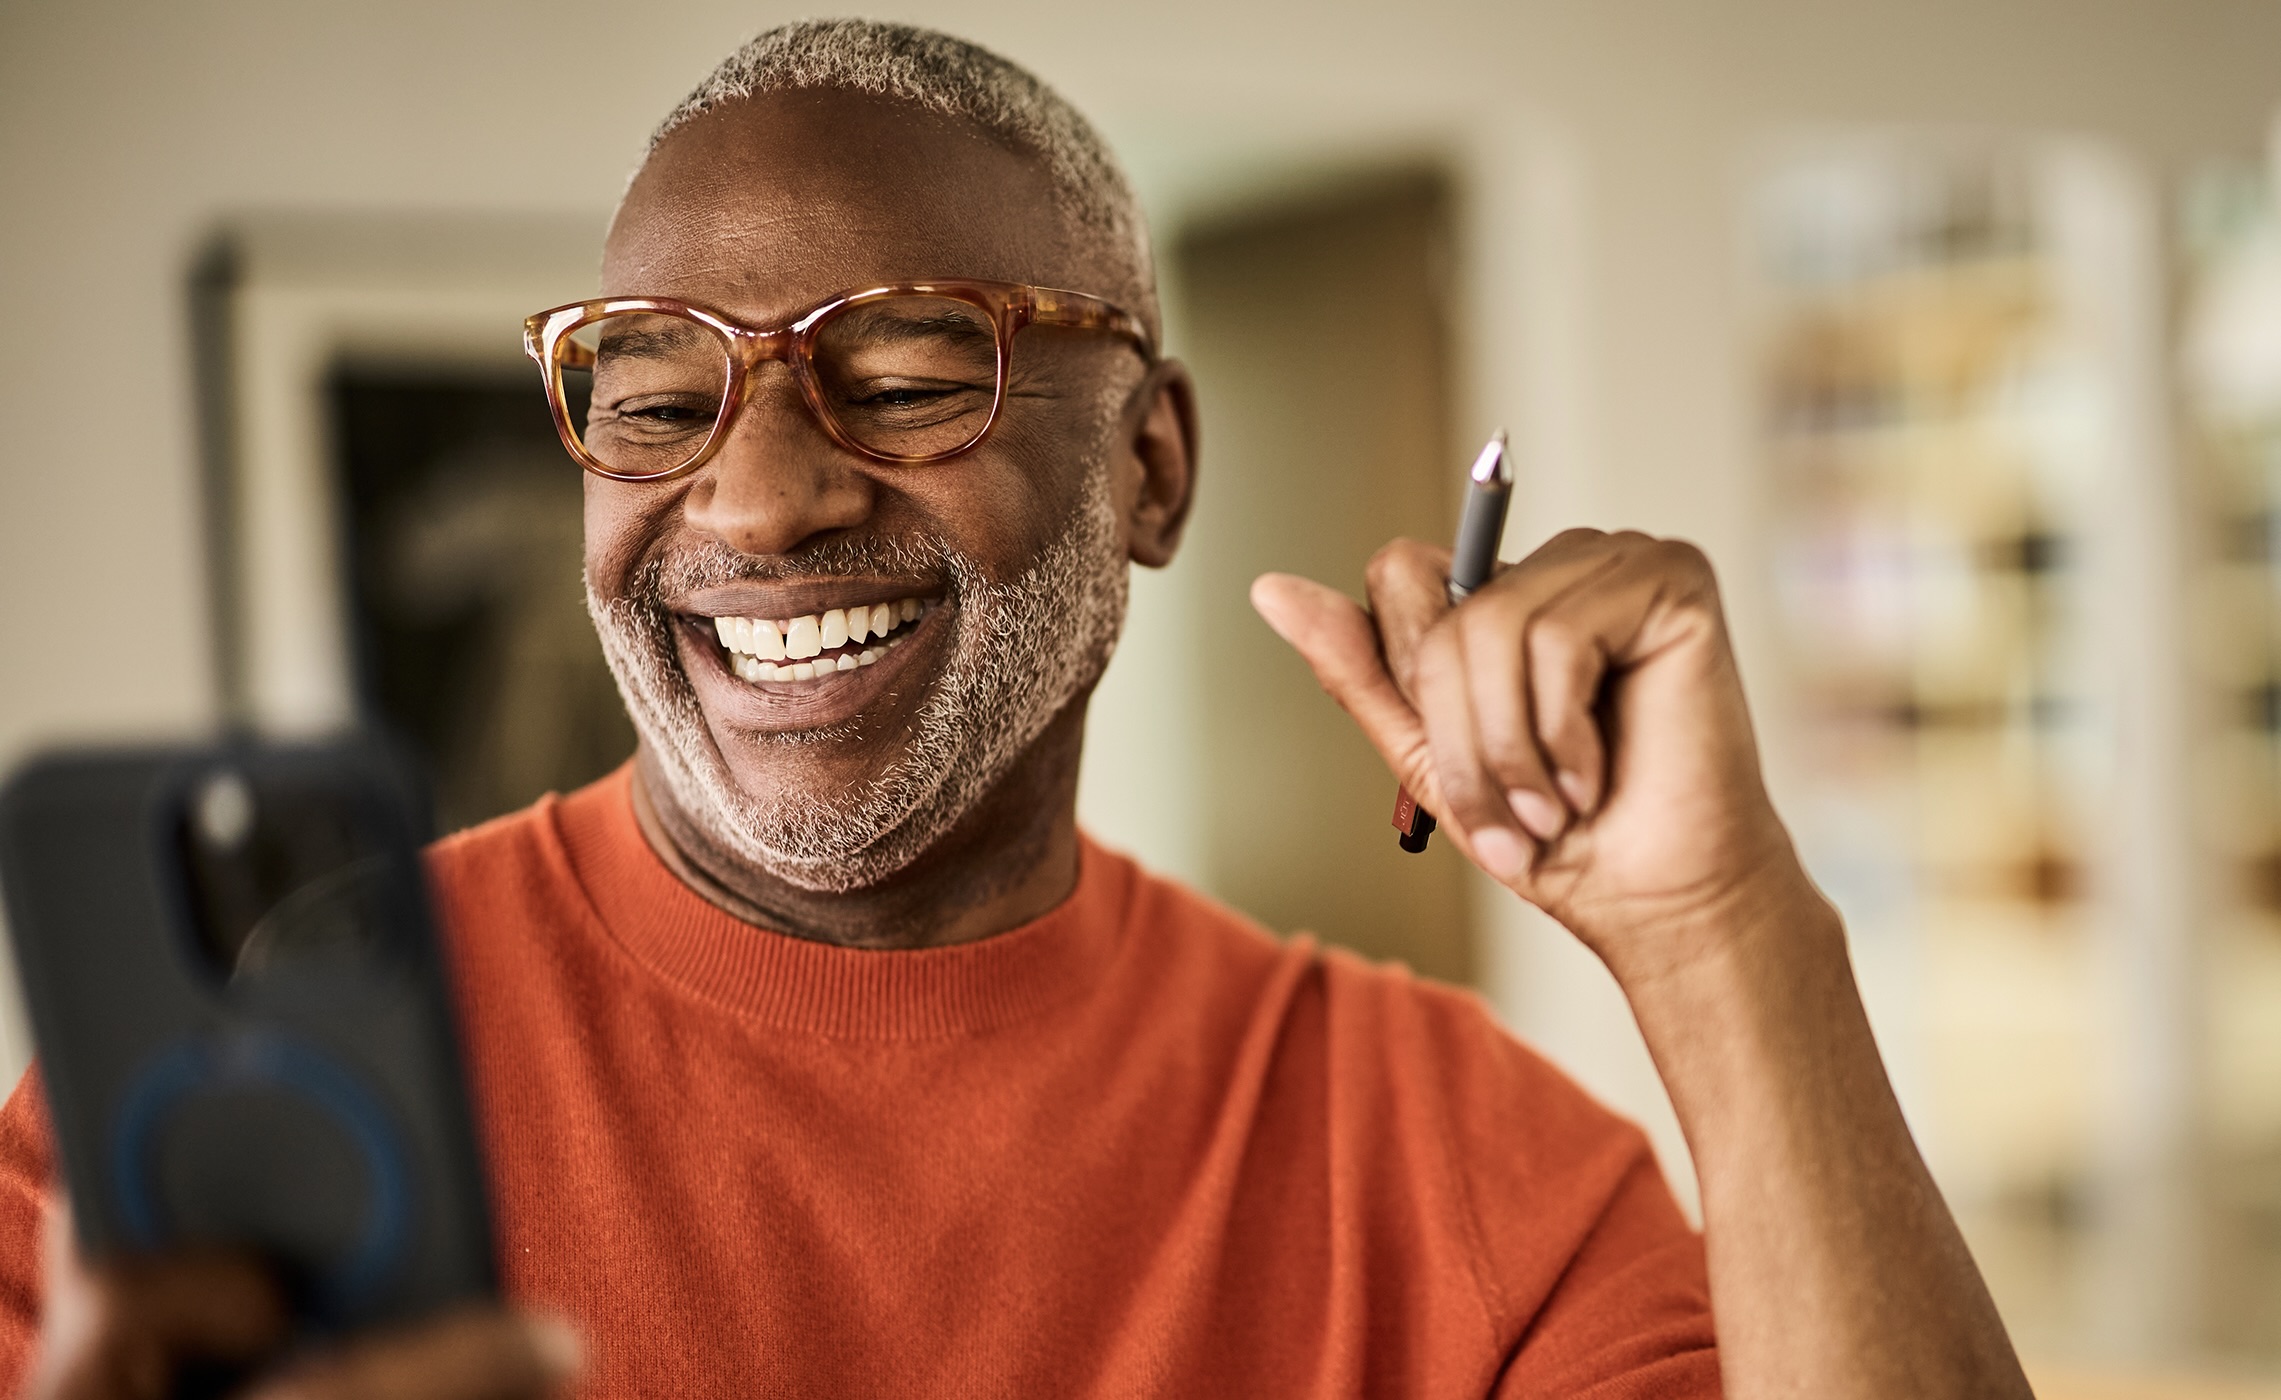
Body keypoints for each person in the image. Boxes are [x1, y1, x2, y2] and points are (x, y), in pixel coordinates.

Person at [0, 20, 2033, 1400]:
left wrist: (1724, 934)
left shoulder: (1451, 1168)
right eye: (651, 392)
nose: (761, 495)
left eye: (899, 377)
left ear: (1147, 466)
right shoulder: (235, 1117)